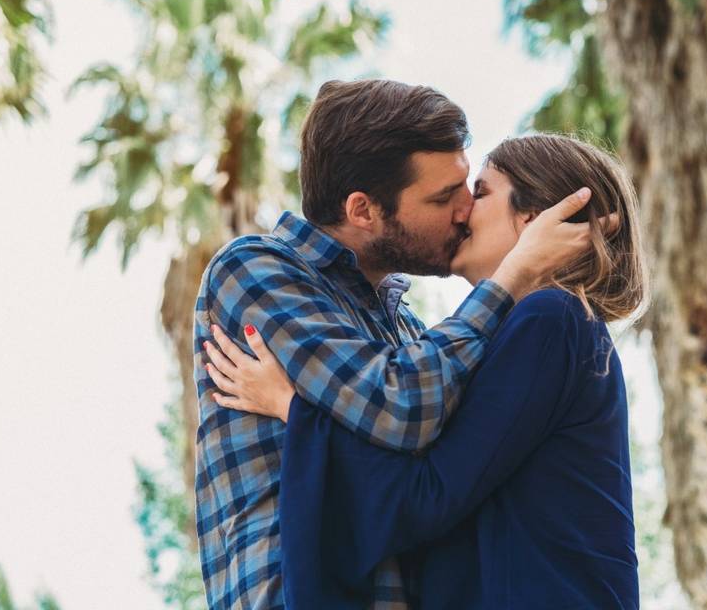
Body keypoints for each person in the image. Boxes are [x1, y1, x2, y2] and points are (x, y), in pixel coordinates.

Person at [192, 80, 599, 609]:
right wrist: (511, 276)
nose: (463, 210)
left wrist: (292, 406)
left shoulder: (410, 334)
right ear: (363, 210)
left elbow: (431, 479)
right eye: (442, 196)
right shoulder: (256, 270)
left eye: (468, 188)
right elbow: (401, 408)